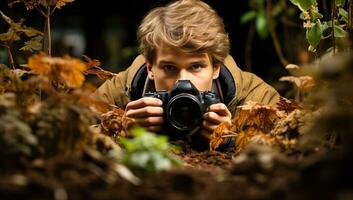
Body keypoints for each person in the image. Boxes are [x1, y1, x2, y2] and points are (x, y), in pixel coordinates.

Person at [94, 0, 280, 150]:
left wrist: (231, 139)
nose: (183, 81)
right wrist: (121, 134)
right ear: (150, 68)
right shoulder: (121, 90)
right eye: (169, 68)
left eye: (196, 66)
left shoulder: (252, 95)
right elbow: (72, 134)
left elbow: (290, 146)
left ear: (216, 68)